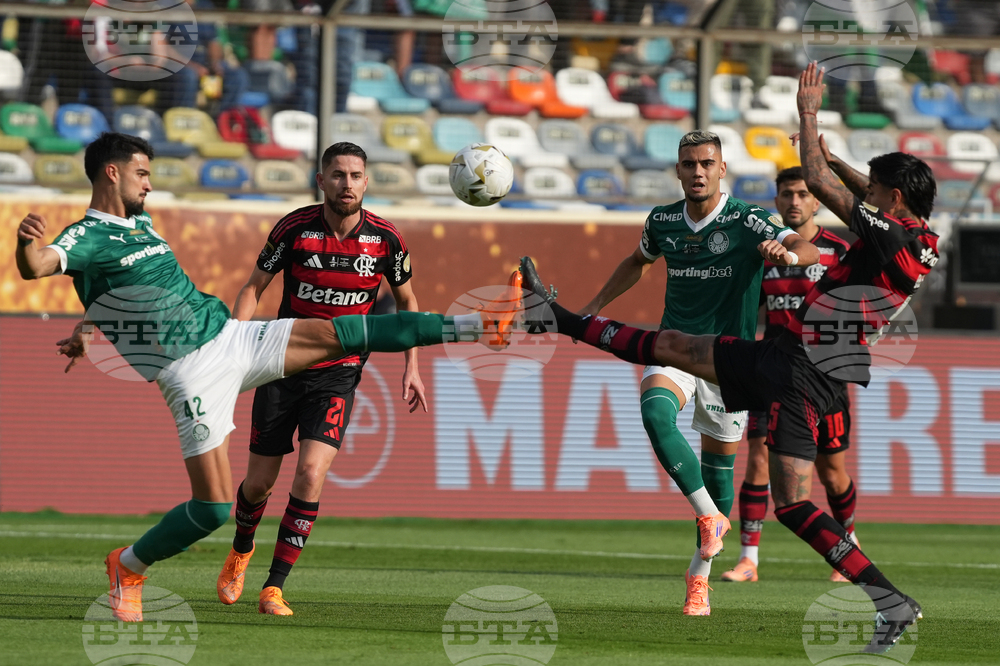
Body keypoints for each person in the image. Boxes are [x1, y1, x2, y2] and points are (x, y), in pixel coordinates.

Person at [15, 132, 521, 624]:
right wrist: (26, 246)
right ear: (112, 172)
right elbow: (39, 266)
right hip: (189, 373)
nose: (148, 184)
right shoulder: (86, 235)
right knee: (212, 509)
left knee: (343, 333)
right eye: (141, 173)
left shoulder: (140, 223)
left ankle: (481, 326)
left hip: (232, 336)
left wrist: (88, 324)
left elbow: (118, 285)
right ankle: (128, 566)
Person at [518, 62, 937, 654]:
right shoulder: (913, 236)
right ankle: (555, 318)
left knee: (793, 503)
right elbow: (849, 192)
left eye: (873, 190)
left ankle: (889, 600)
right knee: (675, 345)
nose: (863, 195)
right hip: (795, 359)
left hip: (804, 370)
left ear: (891, 200)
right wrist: (833, 161)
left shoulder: (889, 236)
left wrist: (809, 116)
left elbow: (822, 188)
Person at [579, 129, 820, 616]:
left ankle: (700, 576)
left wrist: (788, 254)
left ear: (722, 169)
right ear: (678, 170)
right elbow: (636, 262)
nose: (697, 172)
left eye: (706, 163)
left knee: (719, 472)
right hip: (673, 347)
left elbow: (806, 247)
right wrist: (591, 308)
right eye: (689, 164)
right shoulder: (663, 220)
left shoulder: (749, 220)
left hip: (727, 360)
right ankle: (710, 519)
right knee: (654, 413)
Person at [215, 142, 426, 615]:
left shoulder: (386, 240)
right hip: (280, 366)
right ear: (321, 180)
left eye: (355, 175)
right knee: (257, 486)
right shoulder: (294, 229)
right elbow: (253, 288)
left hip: (340, 374)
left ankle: (274, 587)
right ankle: (241, 549)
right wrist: (236, 342)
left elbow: (409, 303)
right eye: (337, 175)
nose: (346, 183)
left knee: (311, 473)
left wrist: (412, 365)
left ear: (366, 183)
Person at [720, 166, 855, 585]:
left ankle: (848, 549)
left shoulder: (838, 250)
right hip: (771, 371)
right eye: (786, 195)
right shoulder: (767, 252)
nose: (794, 202)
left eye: (801, 194)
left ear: (816, 201)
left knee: (832, 472)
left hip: (824, 378)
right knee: (757, 461)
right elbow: (745, 307)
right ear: (776, 201)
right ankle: (748, 560)